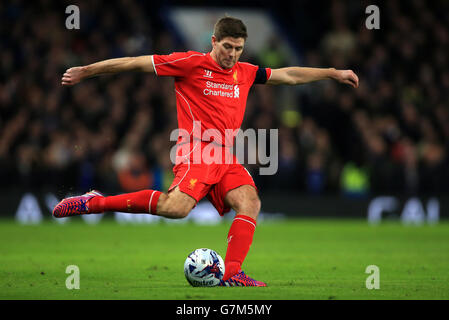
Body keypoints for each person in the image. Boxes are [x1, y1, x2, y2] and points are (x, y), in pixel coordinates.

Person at [54, 16, 359, 287]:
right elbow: (134, 62)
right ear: (214, 41)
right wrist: (86, 71)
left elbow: (288, 75)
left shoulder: (245, 71)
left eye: (238, 48)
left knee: (249, 202)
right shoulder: (190, 63)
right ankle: (95, 202)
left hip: (225, 155)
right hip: (198, 150)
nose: (232, 54)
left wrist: (332, 72)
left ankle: (233, 273)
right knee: (176, 208)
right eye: (227, 46)